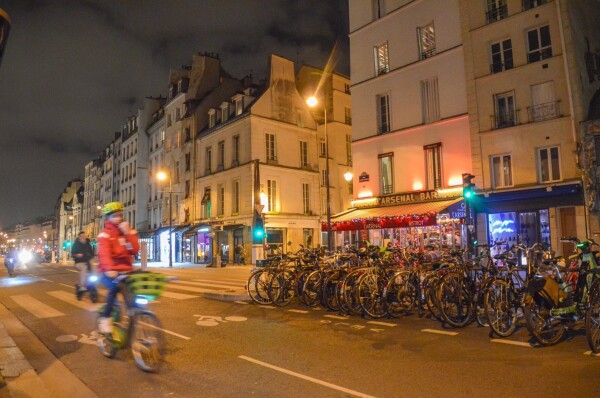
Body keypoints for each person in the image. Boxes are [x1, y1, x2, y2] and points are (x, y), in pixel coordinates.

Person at [97, 202, 139, 334]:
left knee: (132, 299)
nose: (118, 218)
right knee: (114, 288)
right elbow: (104, 253)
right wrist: (110, 269)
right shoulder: (105, 234)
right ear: (108, 218)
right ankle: (105, 317)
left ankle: (132, 323)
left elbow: (134, 250)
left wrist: (128, 233)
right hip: (108, 271)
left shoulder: (126, 232)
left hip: (125, 271)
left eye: (120, 215)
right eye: (115, 216)